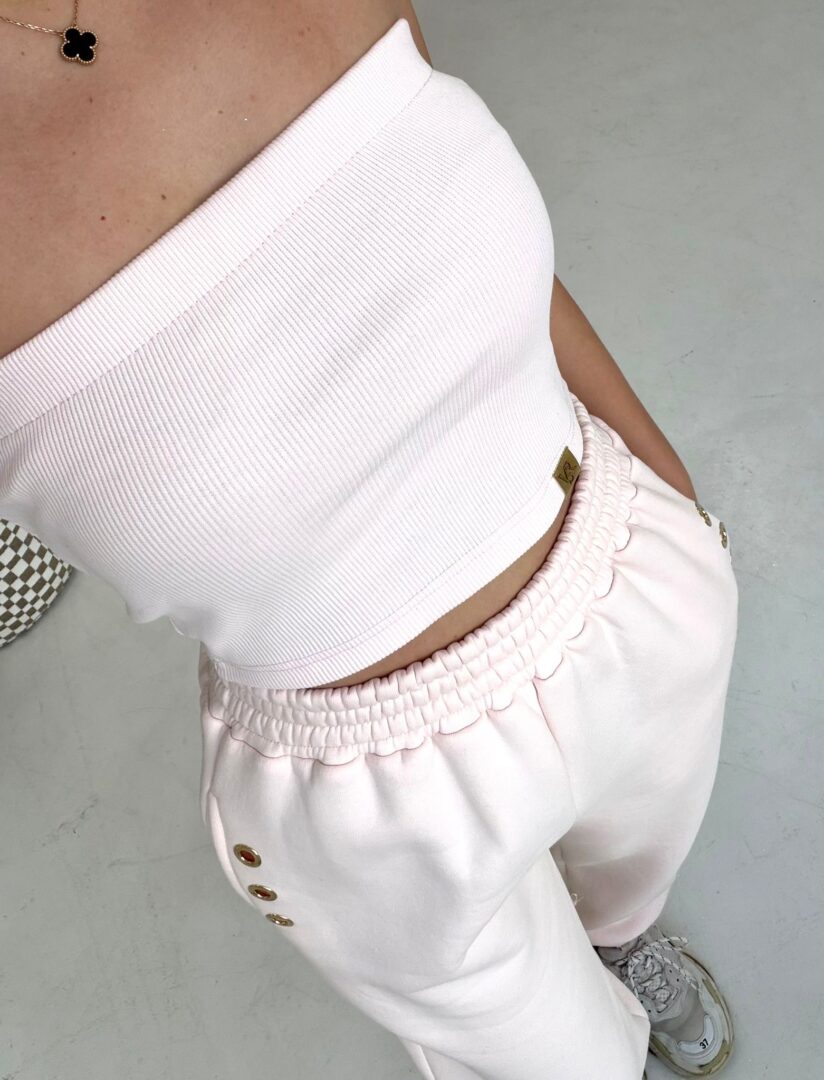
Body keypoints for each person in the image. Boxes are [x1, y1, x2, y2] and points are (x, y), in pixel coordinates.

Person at [0, 3, 738, 1077]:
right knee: (547, 1060)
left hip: (620, 564)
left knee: (635, 872)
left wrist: (667, 488)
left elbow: (452, 212)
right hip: (363, 787)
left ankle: (621, 942)